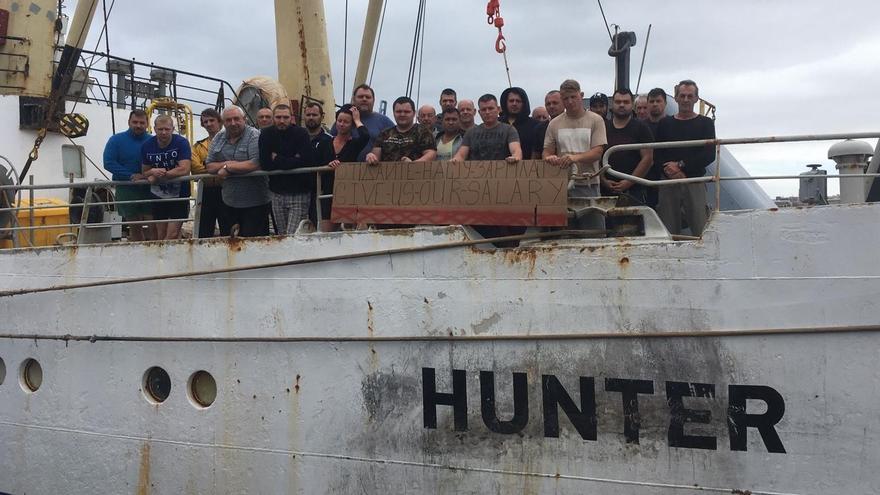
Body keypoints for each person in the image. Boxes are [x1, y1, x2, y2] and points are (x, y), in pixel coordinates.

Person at [654, 79, 716, 236]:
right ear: (676, 98)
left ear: (696, 98)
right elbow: (658, 153)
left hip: (694, 182)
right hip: (669, 182)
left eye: (690, 96)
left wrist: (681, 167)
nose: (686, 100)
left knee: (700, 228)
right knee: (669, 230)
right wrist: (670, 171)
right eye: (682, 96)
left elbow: (709, 154)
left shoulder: (706, 123)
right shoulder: (664, 123)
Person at [205, 106, 270, 237]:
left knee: (254, 243)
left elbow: (255, 163)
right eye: (228, 120)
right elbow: (209, 166)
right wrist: (226, 165)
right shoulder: (219, 137)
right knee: (231, 242)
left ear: (244, 119)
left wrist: (228, 169)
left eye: (236, 119)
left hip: (255, 203)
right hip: (229, 201)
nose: (233, 123)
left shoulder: (254, 135)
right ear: (223, 122)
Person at [543, 79, 607, 198]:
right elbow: (547, 151)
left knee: (592, 216)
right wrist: (550, 158)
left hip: (589, 182)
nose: (570, 102)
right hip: (561, 182)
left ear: (581, 96)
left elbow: (597, 152)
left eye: (573, 97)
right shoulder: (554, 123)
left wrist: (573, 158)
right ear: (562, 100)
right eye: (566, 98)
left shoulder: (596, 120)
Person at [258, 104, 314, 235]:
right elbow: (265, 164)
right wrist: (293, 159)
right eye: (278, 117)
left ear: (291, 118)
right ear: (273, 118)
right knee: (282, 235)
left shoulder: (301, 133)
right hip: (276, 192)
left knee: (293, 235)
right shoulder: (266, 134)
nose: (282, 121)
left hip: (299, 192)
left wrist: (277, 158)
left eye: (285, 117)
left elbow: (306, 161)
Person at [102, 109, 154, 241]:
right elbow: (108, 163)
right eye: (135, 122)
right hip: (126, 189)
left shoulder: (153, 141)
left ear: (147, 124)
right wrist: (131, 175)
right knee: (135, 228)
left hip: (150, 189)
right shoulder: (116, 140)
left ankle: (155, 256)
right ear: (129, 122)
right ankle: (140, 256)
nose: (138, 125)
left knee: (154, 226)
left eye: (142, 122)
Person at [141, 114, 192, 240]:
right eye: (160, 129)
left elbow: (185, 168)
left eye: (167, 129)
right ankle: (167, 258)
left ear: (172, 129)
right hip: (158, 196)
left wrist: (160, 175)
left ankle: (169, 258)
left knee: (172, 234)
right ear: (154, 129)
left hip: (179, 194)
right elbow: (145, 172)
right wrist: (153, 171)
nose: (163, 132)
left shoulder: (181, 143)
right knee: (161, 234)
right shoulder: (147, 146)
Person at [603, 89, 654, 206]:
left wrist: (628, 182)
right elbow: (596, 156)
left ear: (632, 105)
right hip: (605, 190)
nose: (621, 105)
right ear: (613, 104)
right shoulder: (603, 127)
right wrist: (603, 181)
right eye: (618, 102)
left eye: (626, 102)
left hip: (634, 190)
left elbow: (648, 159)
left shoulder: (642, 128)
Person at [191, 108, 231, 237]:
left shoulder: (232, 142)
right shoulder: (198, 146)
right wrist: (224, 167)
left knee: (228, 228)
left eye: (211, 120)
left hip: (228, 189)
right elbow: (196, 169)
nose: (208, 124)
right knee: (204, 230)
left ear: (220, 122)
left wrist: (209, 166)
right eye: (205, 121)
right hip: (206, 191)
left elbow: (236, 161)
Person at [452, 94, 521, 162]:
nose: (487, 112)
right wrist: (454, 161)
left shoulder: (509, 130)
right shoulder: (470, 132)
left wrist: (515, 157)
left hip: (502, 172)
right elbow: (461, 155)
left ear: (498, 109)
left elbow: (516, 150)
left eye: (490, 108)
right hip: (476, 172)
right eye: (484, 109)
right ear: (479, 112)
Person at [366, 96, 436, 163]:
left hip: (415, 173)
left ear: (414, 113)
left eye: (406, 112)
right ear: (393, 113)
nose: (402, 114)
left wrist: (414, 164)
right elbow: (375, 156)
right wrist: (371, 156)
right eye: (398, 111)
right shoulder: (384, 133)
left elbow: (431, 154)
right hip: (388, 174)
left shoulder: (423, 132)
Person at [302, 102, 335, 229]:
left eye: (314, 115)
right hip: (300, 191)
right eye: (308, 114)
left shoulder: (328, 140)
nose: (311, 117)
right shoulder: (299, 138)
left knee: (317, 225)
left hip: (319, 192)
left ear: (322, 116)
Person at [343, 84, 394, 161]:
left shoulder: (385, 122)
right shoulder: (343, 119)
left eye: (368, 97)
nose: (364, 99)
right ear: (353, 99)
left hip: (375, 170)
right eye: (360, 97)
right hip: (345, 170)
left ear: (373, 100)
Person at [499, 87, 540, 160]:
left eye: (518, 101)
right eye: (511, 101)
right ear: (506, 103)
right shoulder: (497, 123)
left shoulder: (535, 125)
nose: (514, 104)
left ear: (524, 103)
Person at [534, 90, 565, 158]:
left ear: (564, 103)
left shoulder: (574, 123)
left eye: (555, 103)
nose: (551, 106)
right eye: (548, 104)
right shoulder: (539, 128)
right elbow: (536, 154)